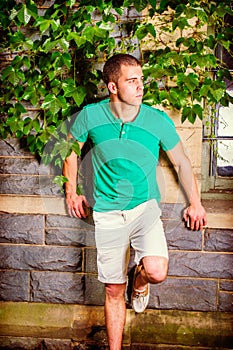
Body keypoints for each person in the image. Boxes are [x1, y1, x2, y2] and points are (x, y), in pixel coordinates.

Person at [63, 53, 207, 349]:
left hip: (145, 209)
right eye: (132, 81)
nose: (141, 86)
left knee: (156, 270)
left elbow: (181, 161)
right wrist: (71, 191)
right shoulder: (91, 115)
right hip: (107, 212)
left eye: (142, 80)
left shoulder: (156, 119)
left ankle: (139, 283)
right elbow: (70, 151)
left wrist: (196, 202)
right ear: (113, 87)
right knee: (114, 289)